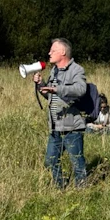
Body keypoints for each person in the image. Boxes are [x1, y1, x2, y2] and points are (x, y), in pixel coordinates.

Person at [33, 38, 88, 188]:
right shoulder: (54, 71)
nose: (49, 53)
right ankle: (60, 187)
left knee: (77, 162)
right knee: (50, 161)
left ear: (63, 52)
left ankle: (82, 191)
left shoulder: (77, 70)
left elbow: (81, 89)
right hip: (55, 128)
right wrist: (41, 85)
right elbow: (51, 97)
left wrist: (57, 89)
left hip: (72, 128)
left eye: (53, 50)